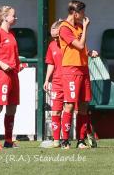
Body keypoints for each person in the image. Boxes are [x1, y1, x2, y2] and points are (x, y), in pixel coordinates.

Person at [59, 0, 98, 149]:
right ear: (75, 13)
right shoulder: (64, 28)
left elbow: (82, 48)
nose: (84, 16)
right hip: (71, 70)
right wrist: (86, 28)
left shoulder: (79, 27)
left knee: (83, 105)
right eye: (82, 13)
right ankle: (65, 140)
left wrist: (89, 52)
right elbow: (79, 44)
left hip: (83, 68)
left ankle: (81, 140)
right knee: (69, 105)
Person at [0, 6, 23, 150]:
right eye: (13, 16)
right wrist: (2, 64)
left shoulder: (12, 34)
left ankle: (8, 140)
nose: (16, 18)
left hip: (13, 76)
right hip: (1, 76)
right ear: (5, 17)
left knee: (12, 109)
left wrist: (18, 65)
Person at [43, 20, 64, 148]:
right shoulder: (52, 45)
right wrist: (47, 80)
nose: (55, 39)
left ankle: (80, 139)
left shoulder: (70, 44)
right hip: (57, 82)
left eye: (57, 36)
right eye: (53, 37)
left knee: (75, 111)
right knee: (55, 111)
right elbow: (51, 63)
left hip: (70, 81)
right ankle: (56, 141)